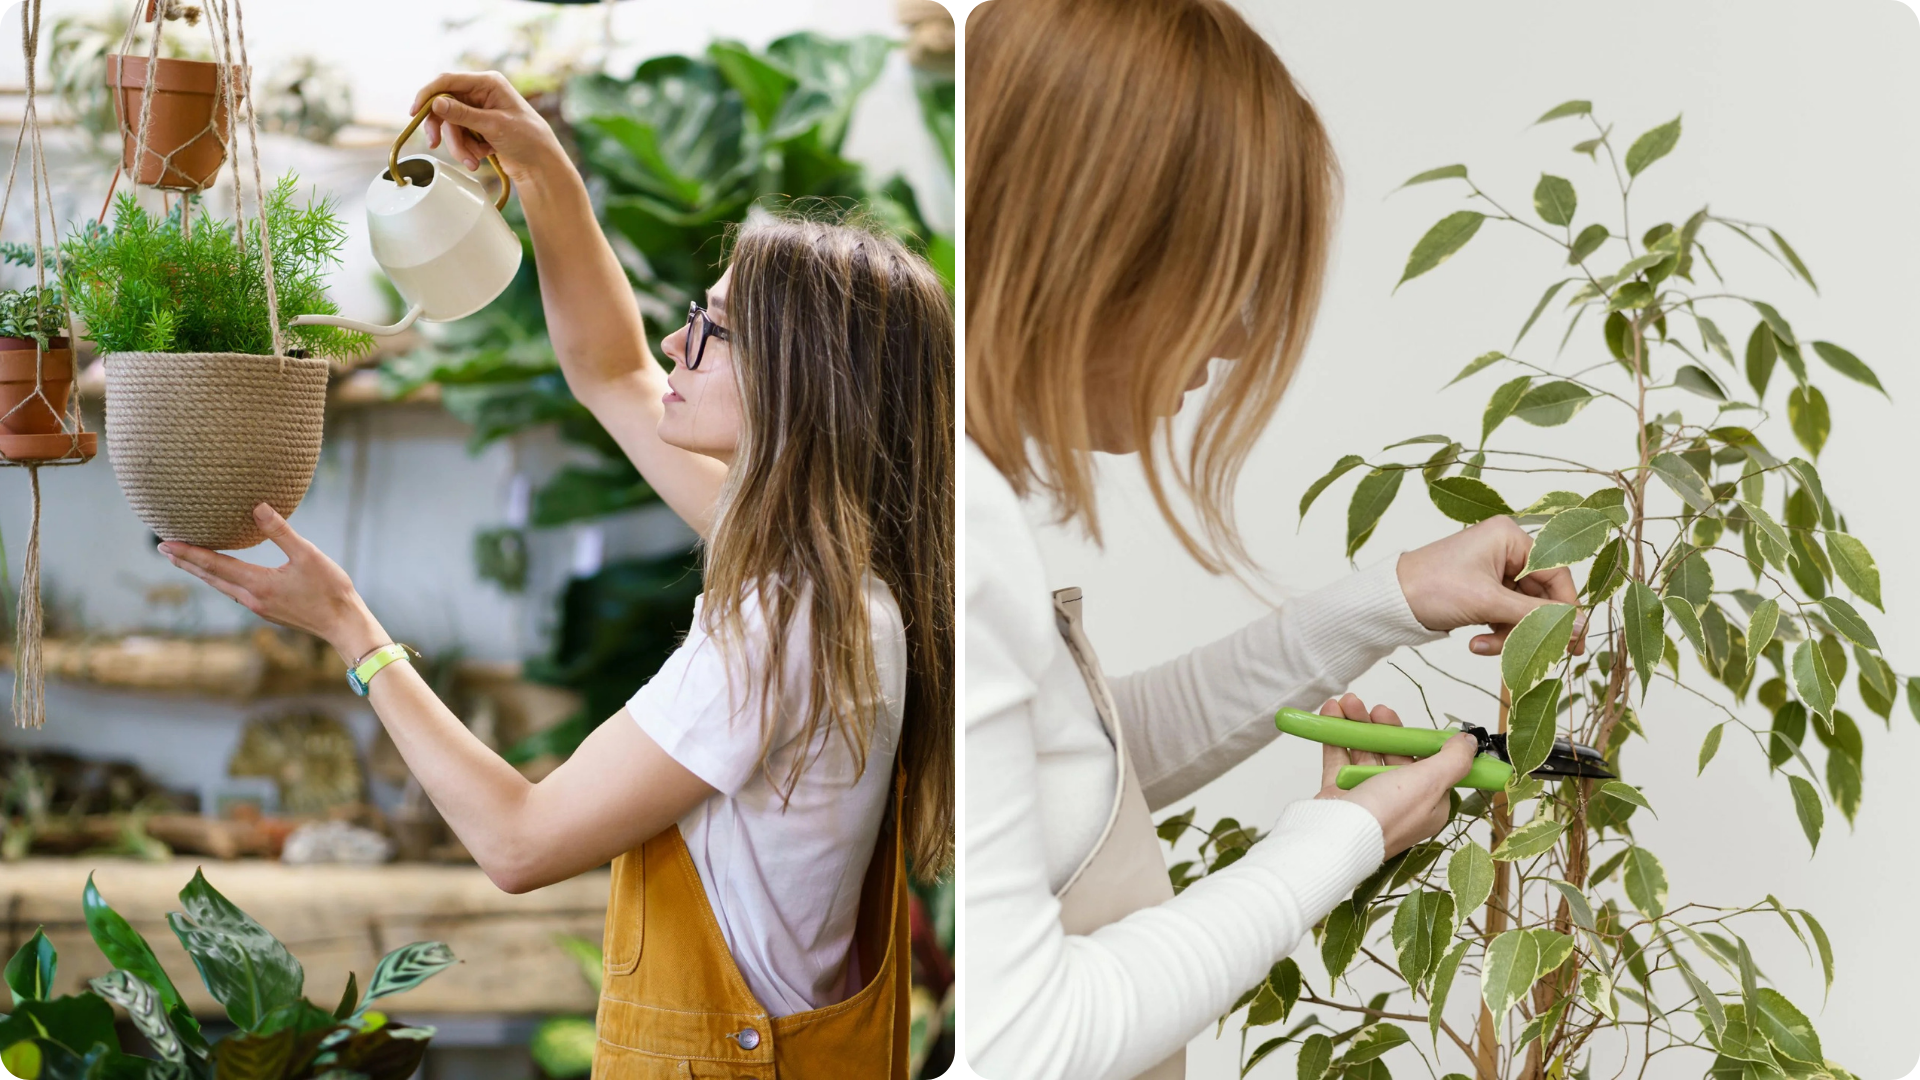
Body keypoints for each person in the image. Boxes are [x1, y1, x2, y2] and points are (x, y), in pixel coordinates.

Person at [162, 72, 953, 1080]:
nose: (679, 340)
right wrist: (540, 167)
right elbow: (610, 370)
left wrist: (353, 635)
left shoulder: (788, 619)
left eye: (711, 331)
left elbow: (518, 843)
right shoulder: (845, 576)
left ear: (799, 384)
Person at [963, 2, 1583, 1078]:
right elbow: (1027, 1041)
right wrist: (1336, 844)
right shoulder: (944, 530)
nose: (1242, 333)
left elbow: (1073, 779)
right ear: (1096, 246)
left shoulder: (939, 494)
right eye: (1223, 277)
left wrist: (1390, 600)